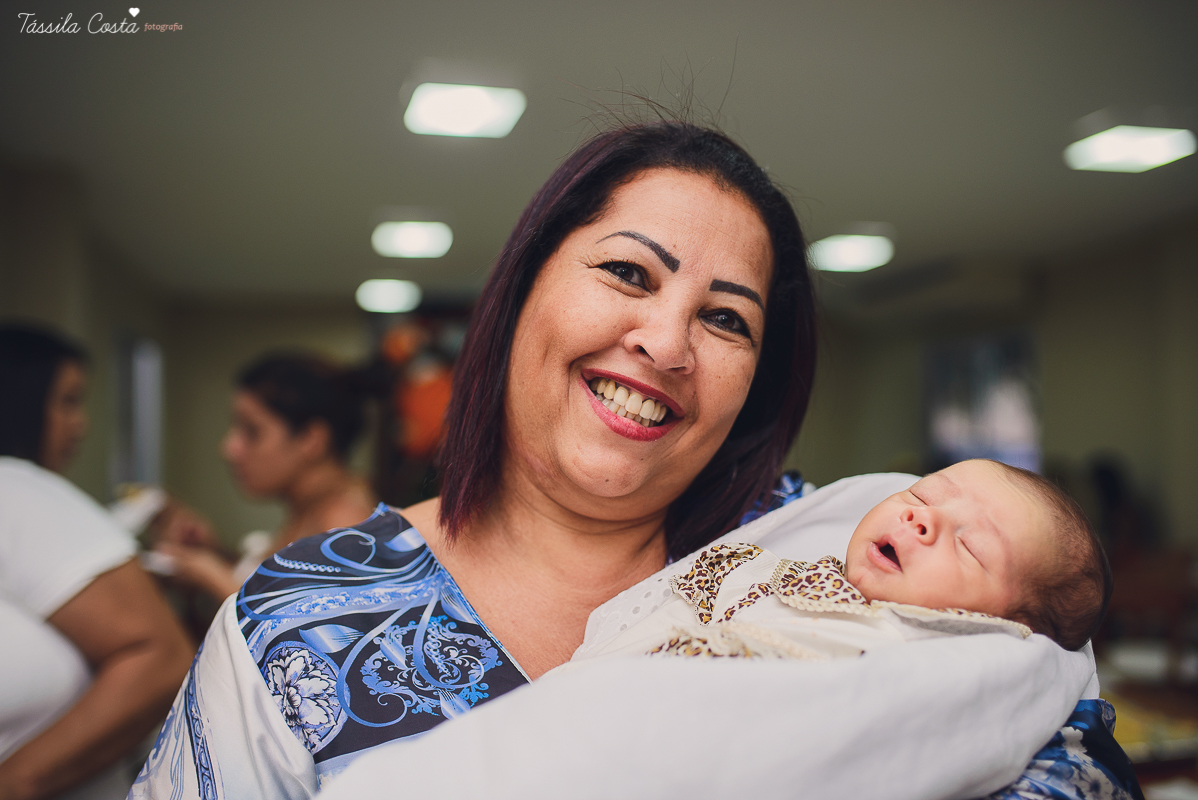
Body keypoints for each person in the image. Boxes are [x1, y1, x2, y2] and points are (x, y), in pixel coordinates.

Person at [131, 121, 1140, 800]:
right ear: (523, 288)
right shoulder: (296, 622)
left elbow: (1049, 701)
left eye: (726, 319)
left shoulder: (833, 542)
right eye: (626, 272)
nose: (664, 342)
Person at [570, 458, 1110, 665]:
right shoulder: (785, 566)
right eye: (921, 496)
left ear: (1012, 626)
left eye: (970, 546)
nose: (919, 519)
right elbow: (672, 606)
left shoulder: (949, 659)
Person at [0, 325, 194, 800]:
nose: (80, 423)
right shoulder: (17, 490)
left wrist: (14, 782)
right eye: (66, 401)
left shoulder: (21, 491)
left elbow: (163, 658)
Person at [150, 353, 378, 603]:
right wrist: (217, 554)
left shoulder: (344, 523)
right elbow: (283, 588)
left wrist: (211, 576)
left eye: (252, 431)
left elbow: (317, 631)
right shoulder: (312, 508)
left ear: (312, 439)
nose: (229, 448)